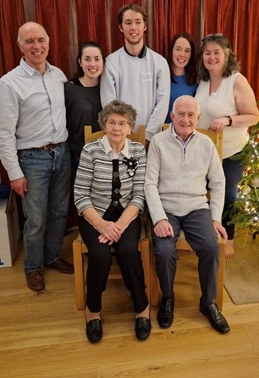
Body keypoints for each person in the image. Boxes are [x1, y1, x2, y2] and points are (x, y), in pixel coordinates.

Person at [144, 95, 230, 334]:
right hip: (166, 208)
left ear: (198, 118)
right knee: (163, 250)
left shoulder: (206, 144)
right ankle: (168, 298)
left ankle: (208, 303)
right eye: (180, 114)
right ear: (172, 116)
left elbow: (218, 183)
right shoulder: (159, 142)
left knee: (211, 248)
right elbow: (149, 184)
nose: (185, 119)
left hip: (196, 207)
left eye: (191, 114)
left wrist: (215, 218)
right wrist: (159, 217)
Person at [0, 22, 73, 293]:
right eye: (29, 41)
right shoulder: (9, 83)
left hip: (62, 154)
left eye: (40, 39)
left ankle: (52, 256)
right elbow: (4, 133)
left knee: (59, 212)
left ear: (49, 41)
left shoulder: (59, 76)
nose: (36, 46)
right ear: (20, 45)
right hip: (32, 159)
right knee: (36, 218)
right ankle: (32, 267)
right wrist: (14, 173)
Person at [74, 100, 151, 343]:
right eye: (111, 122)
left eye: (122, 123)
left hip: (126, 217)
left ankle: (142, 308)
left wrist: (117, 226)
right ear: (104, 125)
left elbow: (139, 195)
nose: (116, 128)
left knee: (128, 251)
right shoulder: (91, 151)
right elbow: (80, 195)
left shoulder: (138, 151)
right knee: (100, 255)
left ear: (130, 128)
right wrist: (102, 225)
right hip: (93, 215)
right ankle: (93, 311)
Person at [195, 33, 259, 259]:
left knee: (228, 194)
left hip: (232, 151)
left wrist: (228, 120)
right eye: (207, 53)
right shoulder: (203, 80)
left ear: (227, 54)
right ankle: (206, 233)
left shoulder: (237, 80)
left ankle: (228, 239)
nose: (211, 57)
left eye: (216, 52)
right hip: (207, 152)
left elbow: (254, 116)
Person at [100, 3, 170, 144]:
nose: (133, 27)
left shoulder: (159, 62)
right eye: (128, 23)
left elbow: (162, 103)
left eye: (138, 22)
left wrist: (147, 136)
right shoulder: (111, 62)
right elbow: (109, 104)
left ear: (145, 26)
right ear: (121, 27)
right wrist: (123, 134)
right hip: (120, 139)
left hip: (150, 139)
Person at [65, 41, 104, 170]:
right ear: (80, 62)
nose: (92, 64)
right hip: (78, 156)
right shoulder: (69, 88)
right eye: (87, 59)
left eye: (97, 59)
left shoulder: (109, 88)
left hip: (105, 155)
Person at [165, 32, 197, 123]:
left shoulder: (196, 81)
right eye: (178, 49)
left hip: (184, 133)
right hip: (160, 133)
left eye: (187, 51)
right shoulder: (160, 76)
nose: (182, 54)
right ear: (171, 50)